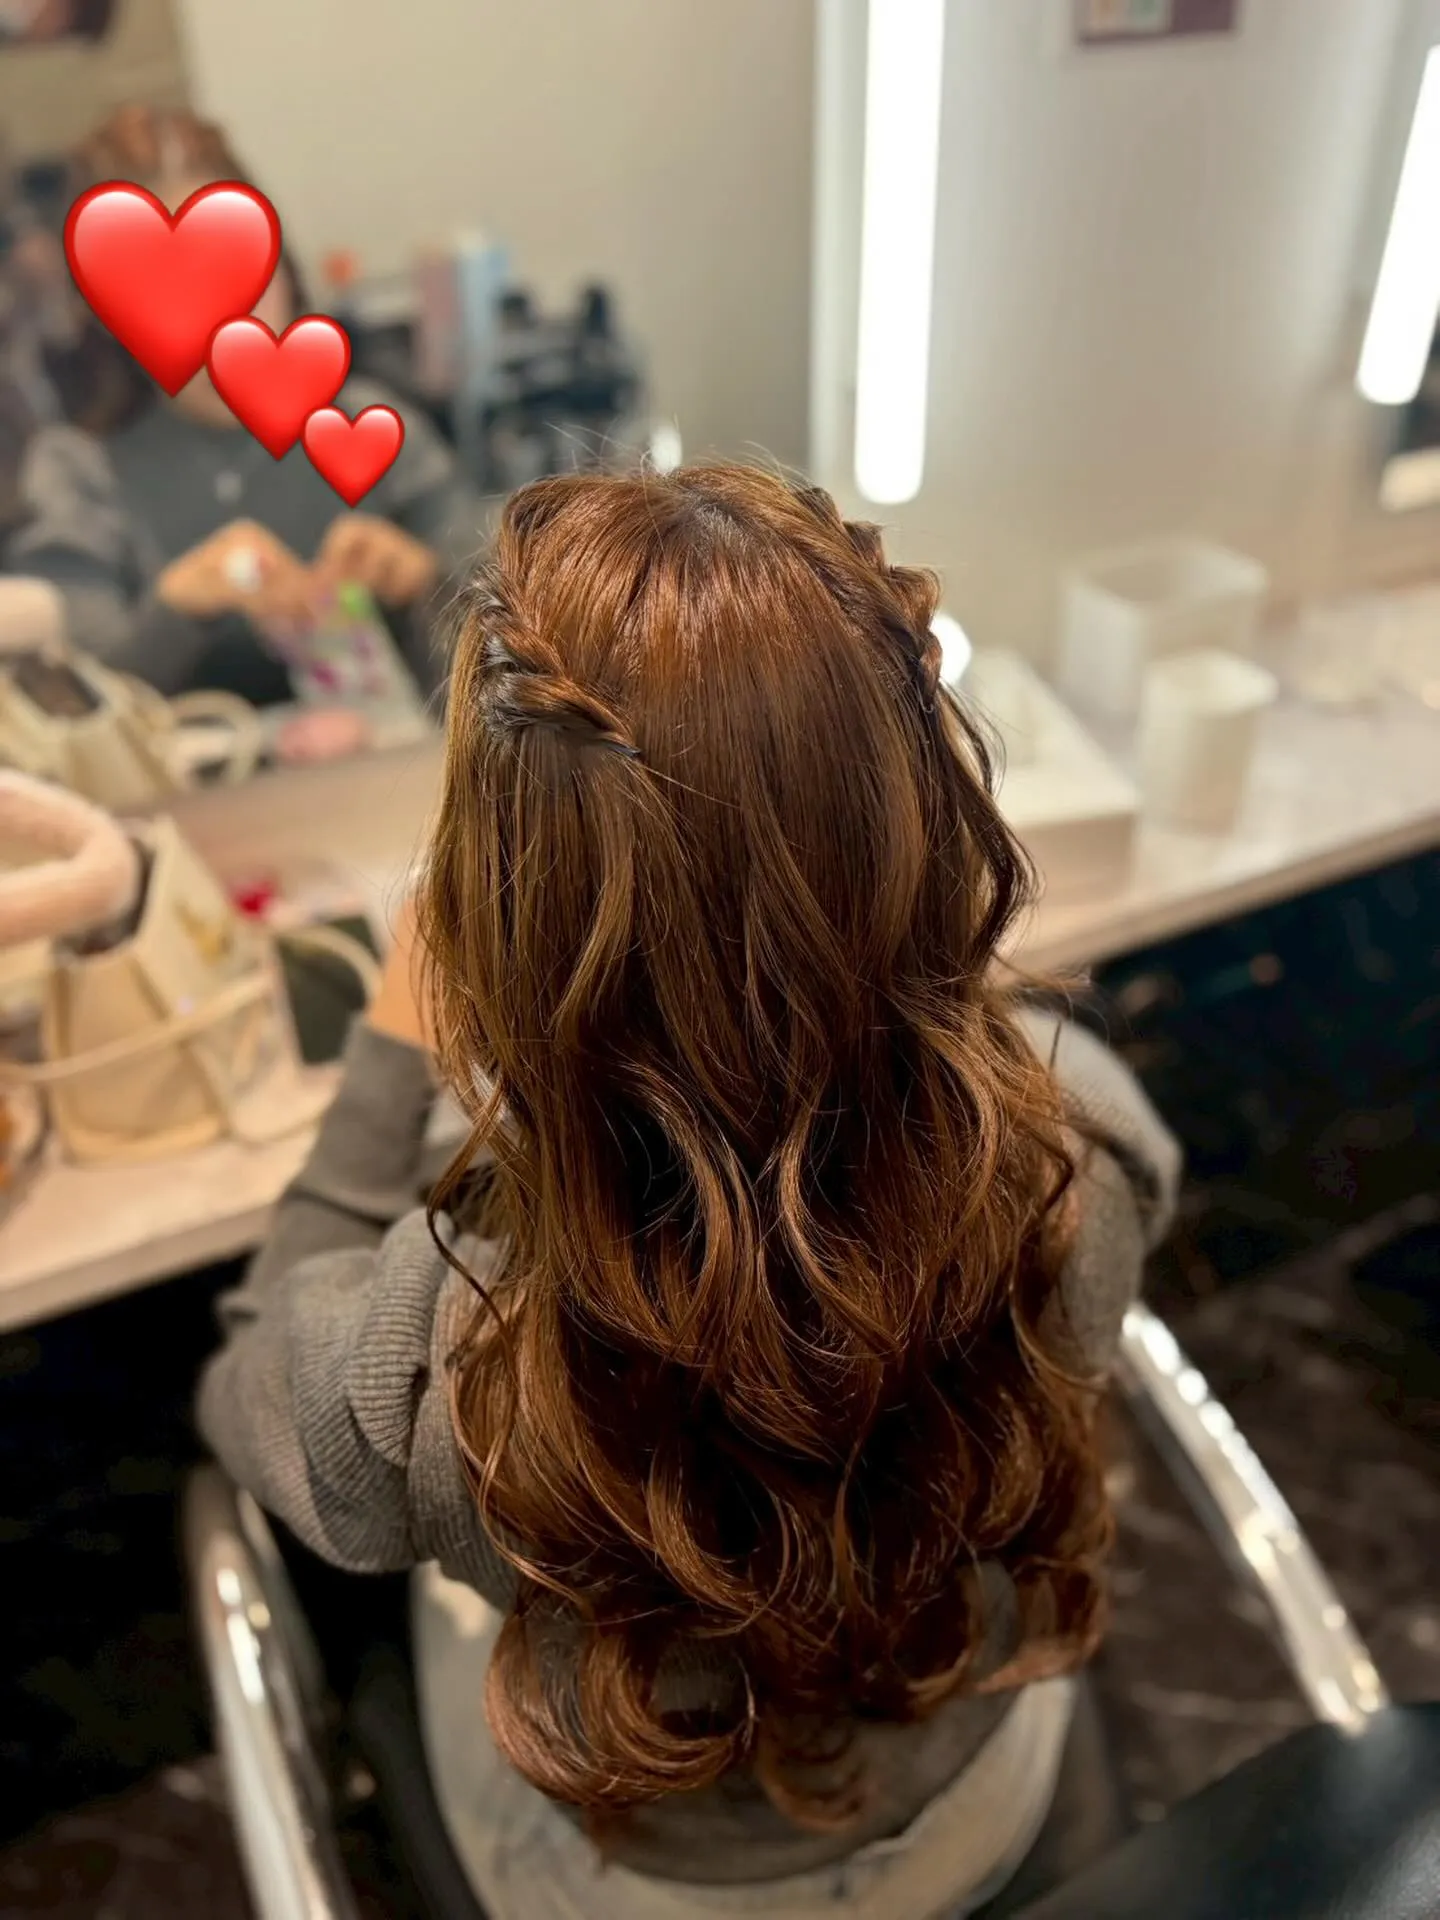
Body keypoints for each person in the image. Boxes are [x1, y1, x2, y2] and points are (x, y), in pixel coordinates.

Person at [197, 464, 1181, 1919]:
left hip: (647, 1885)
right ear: (925, 827)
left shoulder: (433, 1370)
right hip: (979, 1802)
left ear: (496, 928)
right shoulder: (1079, 1158)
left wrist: (391, 1067)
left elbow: (246, 1374)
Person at [4, 106, 485, 704]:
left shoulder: (371, 427)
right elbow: (70, 700)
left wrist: (423, 582)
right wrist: (177, 608)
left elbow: (516, 645)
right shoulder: (79, 473)